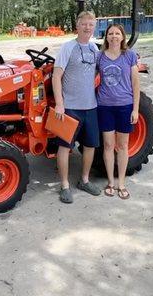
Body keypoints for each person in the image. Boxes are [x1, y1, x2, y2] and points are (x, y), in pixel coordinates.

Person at [52, 11, 101, 204]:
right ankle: (64, 185)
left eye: (91, 24)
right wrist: (59, 104)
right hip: (70, 107)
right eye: (84, 24)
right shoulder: (67, 48)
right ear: (77, 26)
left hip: (91, 107)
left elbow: (99, 71)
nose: (87, 27)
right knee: (65, 147)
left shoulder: (95, 50)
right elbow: (57, 76)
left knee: (89, 146)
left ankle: (84, 180)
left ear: (94, 27)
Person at [97, 24, 140, 200]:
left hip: (125, 106)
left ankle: (121, 183)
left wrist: (136, 109)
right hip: (105, 106)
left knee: (122, 146)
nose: (114, 36)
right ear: (106, 37)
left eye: (117, 33)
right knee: (108, 145)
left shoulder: (129, 56)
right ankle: (110, 182)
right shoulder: (99, 56)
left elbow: (136, 84)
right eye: (110, 33)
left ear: (122, 37)